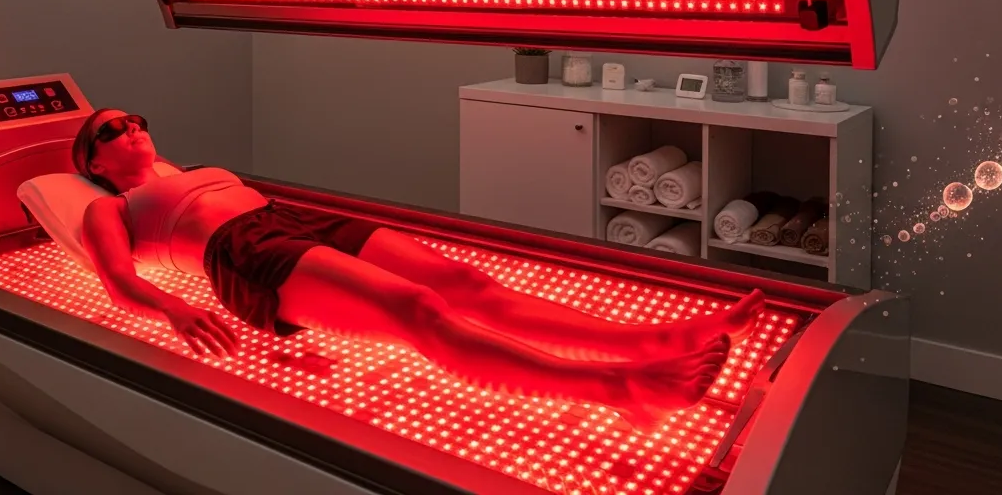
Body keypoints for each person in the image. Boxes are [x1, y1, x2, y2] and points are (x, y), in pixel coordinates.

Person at [72, 109, 763, 430]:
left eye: (134, 118)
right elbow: (117, 280)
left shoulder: (194, 168)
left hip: (292, 219)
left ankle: (656, 341)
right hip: (244, 253)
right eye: (110, 131)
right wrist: (173, 306)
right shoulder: (113, 207)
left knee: (471, 286)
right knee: (418, 312)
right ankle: (620, 388)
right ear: (94, 164)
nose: (130, 128)